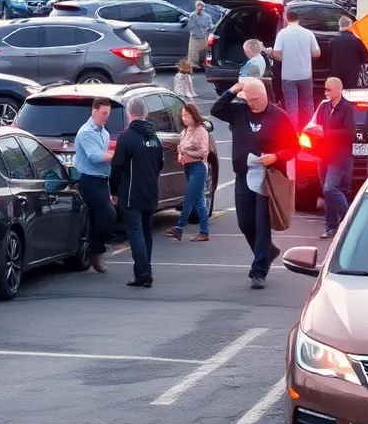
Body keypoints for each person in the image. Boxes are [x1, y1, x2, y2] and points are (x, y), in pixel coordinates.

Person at [211, 78, 299, 289]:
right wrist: (233, 90)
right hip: (243, 174)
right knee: (245, 222)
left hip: (267, 176)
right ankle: (267, 251)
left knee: (261, 224)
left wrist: (276, 156)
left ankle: (258, 271)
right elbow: (216, 109)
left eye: (254, 100)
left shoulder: (279, 116)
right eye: (248, 100)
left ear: (264, 96)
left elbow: (294, 147)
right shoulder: (240, 112)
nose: (251, 104)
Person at [109, 97, 164, 288]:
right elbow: (160, 164)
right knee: (146, 232)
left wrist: (113, 190)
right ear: (146, 114)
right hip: (150, 191)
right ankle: (144, 269)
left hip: (132, 192)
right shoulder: (154, 137)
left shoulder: (127, 137)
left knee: (135, 232)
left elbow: (117, 165)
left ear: (128, 113)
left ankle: (143, 273)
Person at [73, 97, 117, 274]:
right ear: (94, 112)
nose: (107, 116)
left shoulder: (104, 132)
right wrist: (116, 155)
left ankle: (95, 245)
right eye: (104, 113)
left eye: (108, 113)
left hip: (102, 179)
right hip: (89, 179)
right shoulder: (86, 132)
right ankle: (95, 250)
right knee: (108, 214)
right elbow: (95, 157)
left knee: (104, 215)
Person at [308, 77, 355, 239]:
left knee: (330, 188)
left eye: (329, 90)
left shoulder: (347, 108)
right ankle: (331, 227)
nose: (326, 93)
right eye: (325, 90)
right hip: (323, 154)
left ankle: (350, 217)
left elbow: (350, 133)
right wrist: (315, 132)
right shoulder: (324, 107)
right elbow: (317, 125)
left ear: (338, 90)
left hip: (339, 155)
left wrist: (326, 133)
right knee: (327, 192)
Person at [166, 101, 210, 242]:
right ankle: (204, 231)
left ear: (194, 115)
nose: (184, 118)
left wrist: (186, 151)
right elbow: (180, 148)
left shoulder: (200, 131)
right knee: (199, 201)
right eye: (183, 116)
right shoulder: (185, 131)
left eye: (187, 115)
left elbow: (203, 153)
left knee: (189, 197)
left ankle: (179, 227)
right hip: (188, 167)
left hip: (198, 167)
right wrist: (181, 153)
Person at [272, 9, 320, 129]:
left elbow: (276, 53)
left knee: (292, 105)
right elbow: (316, 53)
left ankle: (294, 131)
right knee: (308, 103)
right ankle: (309, 129)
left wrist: (287, 58)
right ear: (298, 19)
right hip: (306, 74)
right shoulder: (308, 33)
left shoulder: (282, 34)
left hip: (288, 76)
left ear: (286, 19)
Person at [329, 15, 368, 91]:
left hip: (336, 76)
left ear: (339, 26)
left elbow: (329, 59)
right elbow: (364, 57)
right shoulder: (357, 41)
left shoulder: (333, 41)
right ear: (350, 26)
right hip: (353, 76)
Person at [183, 1, 215, 67]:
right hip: (203, 37)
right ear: (204, 7)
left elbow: (190, 27)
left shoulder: (192, 15)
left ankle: (193, 64)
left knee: (193, 53)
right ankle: (204, 64)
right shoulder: (207, 16)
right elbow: (211, 26)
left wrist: (194, 32)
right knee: (204, 52)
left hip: (194, 38)